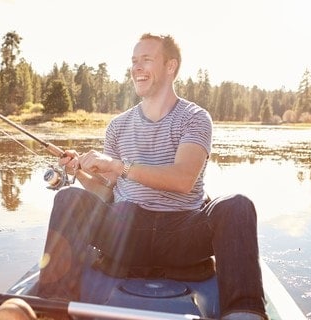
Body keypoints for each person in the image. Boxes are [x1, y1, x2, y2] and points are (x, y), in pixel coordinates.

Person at [36, 33, 268, 320]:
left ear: (170, 67)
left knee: (237, 205)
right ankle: (51, 308)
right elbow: (107, 192)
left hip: (181, 234)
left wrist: (120, 166)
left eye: (146, 59)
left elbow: (183, 179)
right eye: (134, 61)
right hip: (126, 231)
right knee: (69, 197)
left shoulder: (194, 118)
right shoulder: (117, 126)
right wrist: (80, 173)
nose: (137, 68)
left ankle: (245, 313)